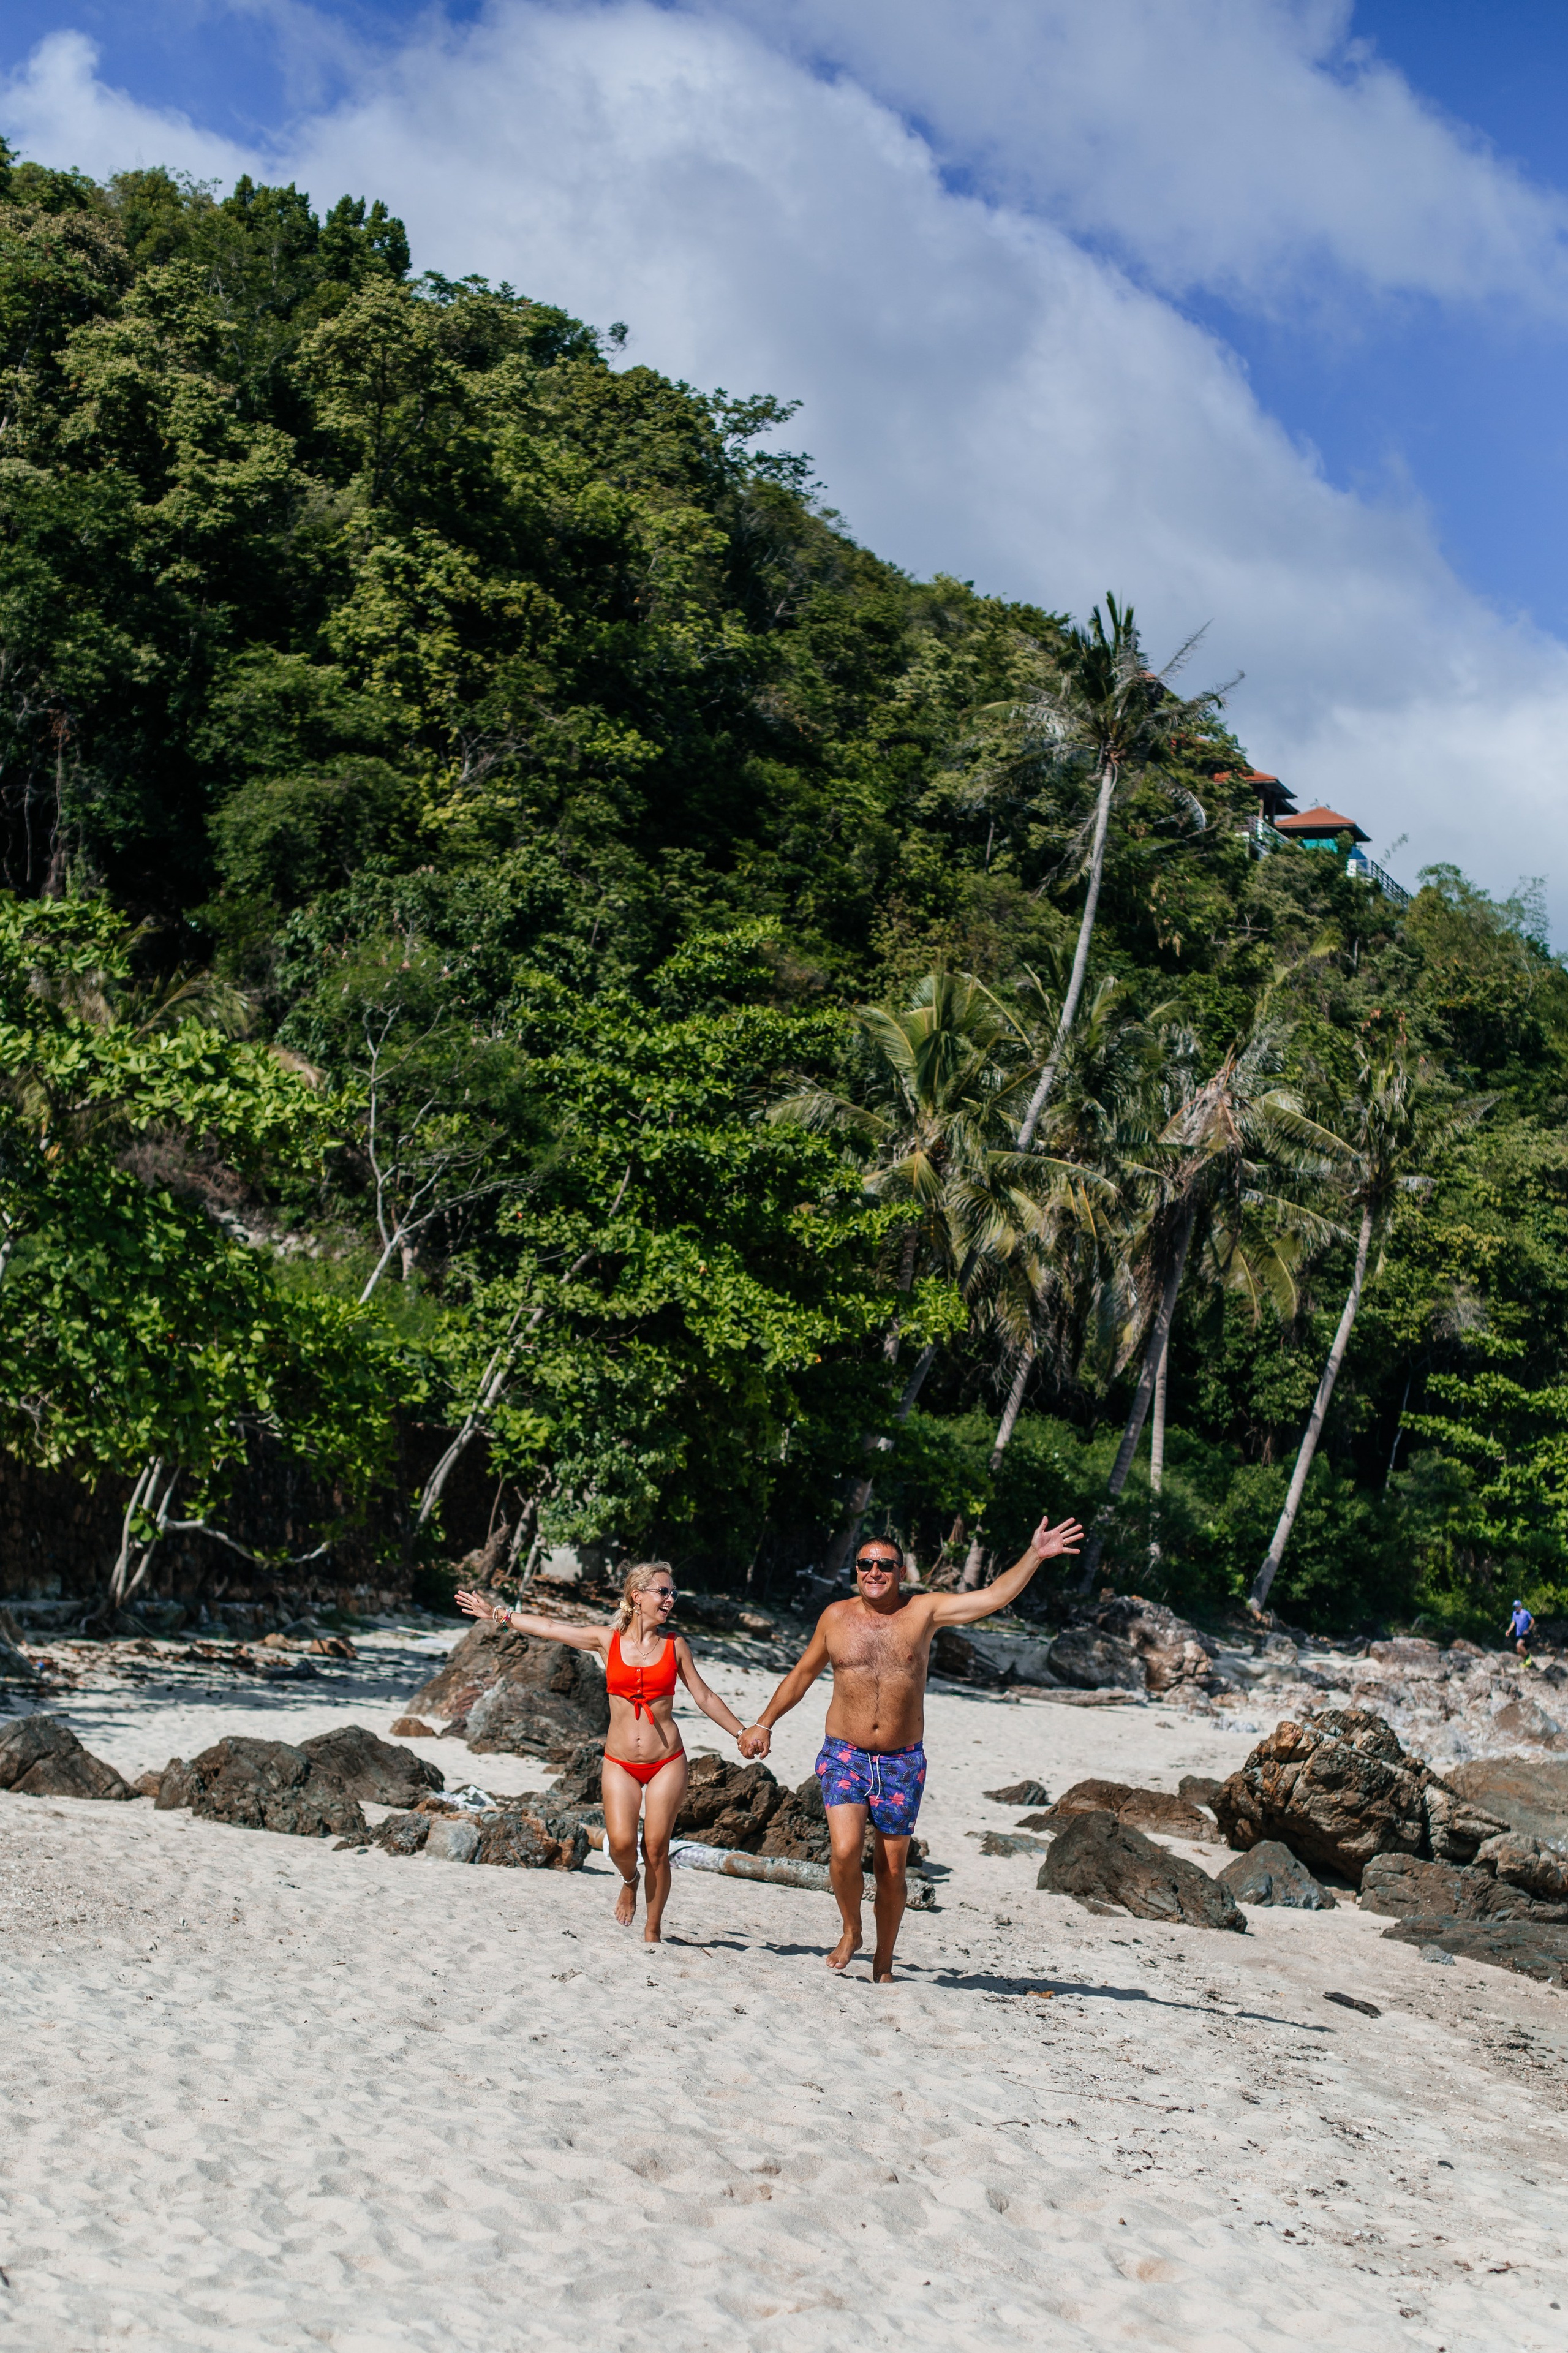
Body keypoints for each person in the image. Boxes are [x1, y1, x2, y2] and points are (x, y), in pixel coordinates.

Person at [738, 1511, 1084, 1982]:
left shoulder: (924, 1611)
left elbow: (994, 1596)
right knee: (844, 1851)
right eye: (865, 1564)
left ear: (902, 1572)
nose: (874, 1572)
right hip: (845, 1753)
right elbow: (801, 1676)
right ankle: (851, 1929)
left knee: (893, 1870)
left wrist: (1034, 1555)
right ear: (855, 1570)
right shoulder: (835, 1618)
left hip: (902, 1762)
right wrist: (764, 1722)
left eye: (885, 1565)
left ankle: (885, 1956)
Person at [454, 1562, 749, 1942]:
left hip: (667, 1761)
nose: (670, 1599)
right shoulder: (607, 1640)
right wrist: (499, 1614)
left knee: (657, 1847)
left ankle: (653, 1929)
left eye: (673, 1592)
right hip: (620, 1763)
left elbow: (704, 1695)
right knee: (623, 1845)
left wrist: (741, 1731)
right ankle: (630, 1880)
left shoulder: (676, 1646)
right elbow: (553, 1629)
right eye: (663, 1591)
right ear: (637, 1596)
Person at [1507, 1598, 1536, 1663]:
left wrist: (1528, 1630)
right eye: (1515, 1607)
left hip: (1525, 1634)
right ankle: (1526, 1661)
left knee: (1519, 1645)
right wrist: (1509, 1631)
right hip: (1519, 1634)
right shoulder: (1514, 1614)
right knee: (1519, 1650)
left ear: (1520, 1606)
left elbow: (1533, 1621)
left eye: (1517, 1607)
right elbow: (1513, 1623)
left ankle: (1528, 1657)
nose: (1516, 1608)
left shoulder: (1526, 1613)